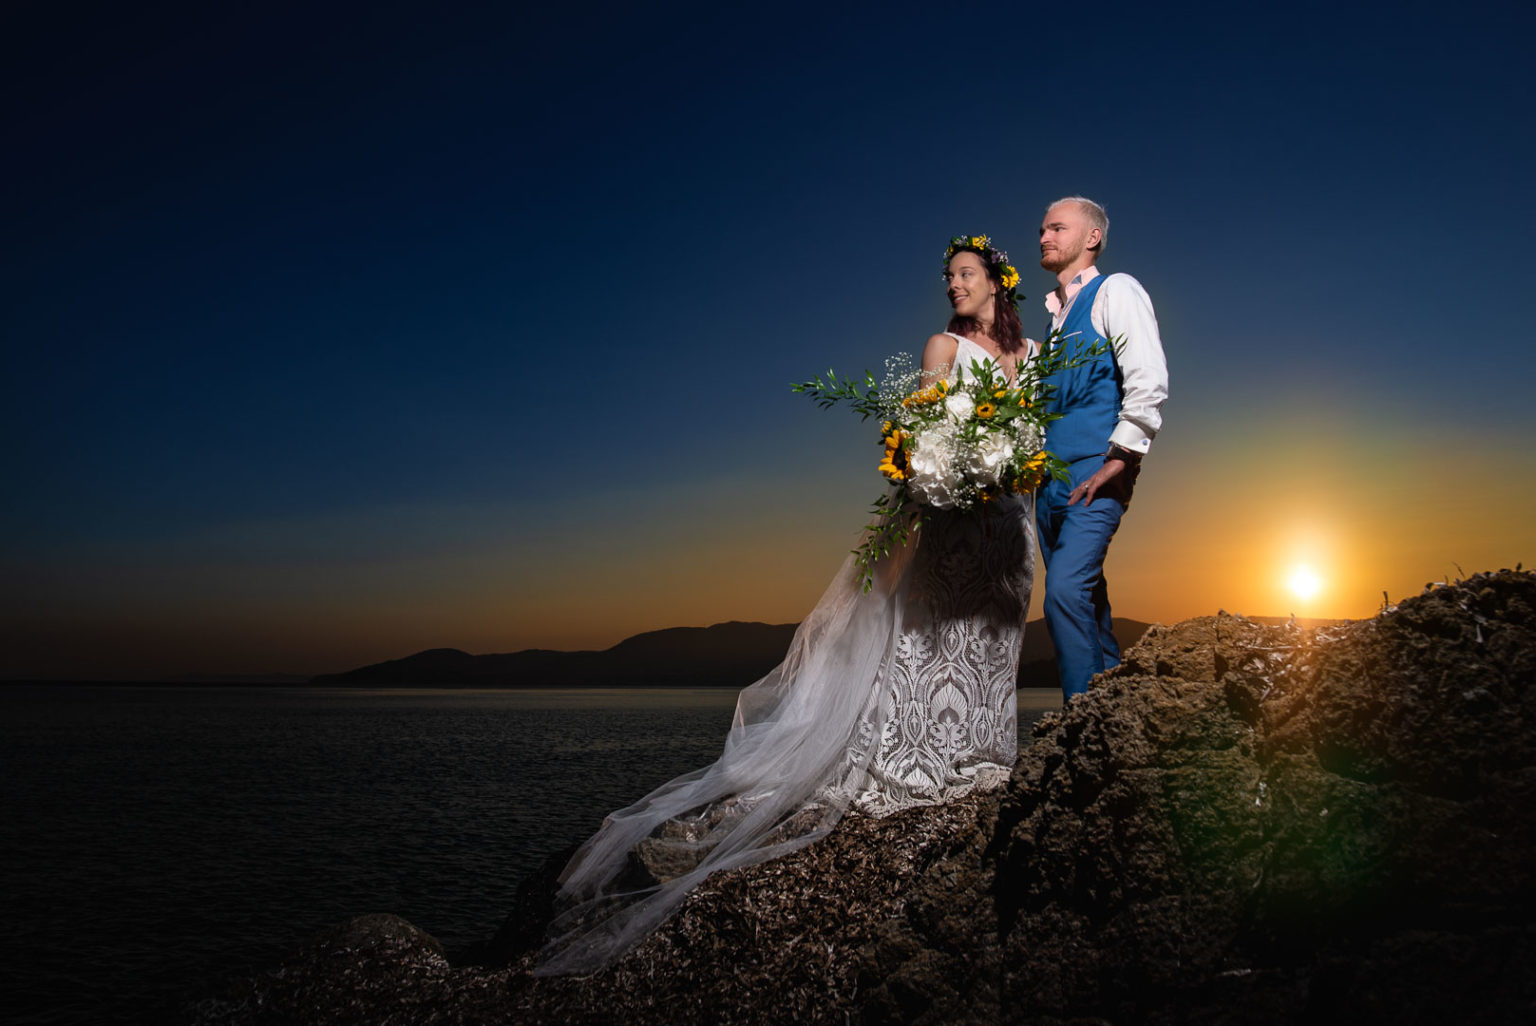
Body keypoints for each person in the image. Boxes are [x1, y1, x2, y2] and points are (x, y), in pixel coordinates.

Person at [535, 237, 1037, 975]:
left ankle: (983, 753)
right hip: (952, 515)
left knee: (988, 643)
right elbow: (926, 433)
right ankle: (921, 761)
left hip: (1006, 525)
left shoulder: (1027, 362)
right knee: (929, 639)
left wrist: (1015, 474)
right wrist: (946, 467)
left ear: (996, 280)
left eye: (965, 274)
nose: (952, 285)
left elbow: (1031, 439)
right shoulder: (941, 347)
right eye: (947, 276)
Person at [1034, 197, 1169, 700]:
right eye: (1042, 230)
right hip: (1047, 488)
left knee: (1065, 594)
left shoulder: (1117, 290)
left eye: (1056, 228)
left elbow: (1147, 376)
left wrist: (1122, 456)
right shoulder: (1051, 323)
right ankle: (1120, 717)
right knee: (1088, 603)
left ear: (1091, 237)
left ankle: (1080, 733)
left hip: (1096, 472)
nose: (1044, 237)